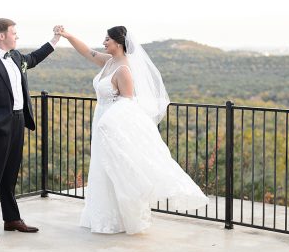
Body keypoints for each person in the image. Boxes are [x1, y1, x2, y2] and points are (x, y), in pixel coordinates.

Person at [55, 25, 209, 234]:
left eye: (107, 39)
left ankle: (118, 220)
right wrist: (67, 35)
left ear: (118, 43)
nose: (103, 42)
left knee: (113, 168)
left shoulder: (124, 70)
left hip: (113, 124)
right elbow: (86, 52)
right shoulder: (109, 62)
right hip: (101, 119)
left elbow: (127, 103)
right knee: (101, 168)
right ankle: (101, 217)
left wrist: (107, 123)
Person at [0, 19, 61, 243]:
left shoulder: (16, 57)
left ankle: (11, 219)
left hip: (18, 121)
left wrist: (55, 40)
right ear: (1, 36)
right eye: (14, 33)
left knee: (10, 173)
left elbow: (34, 58)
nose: (17, 36)